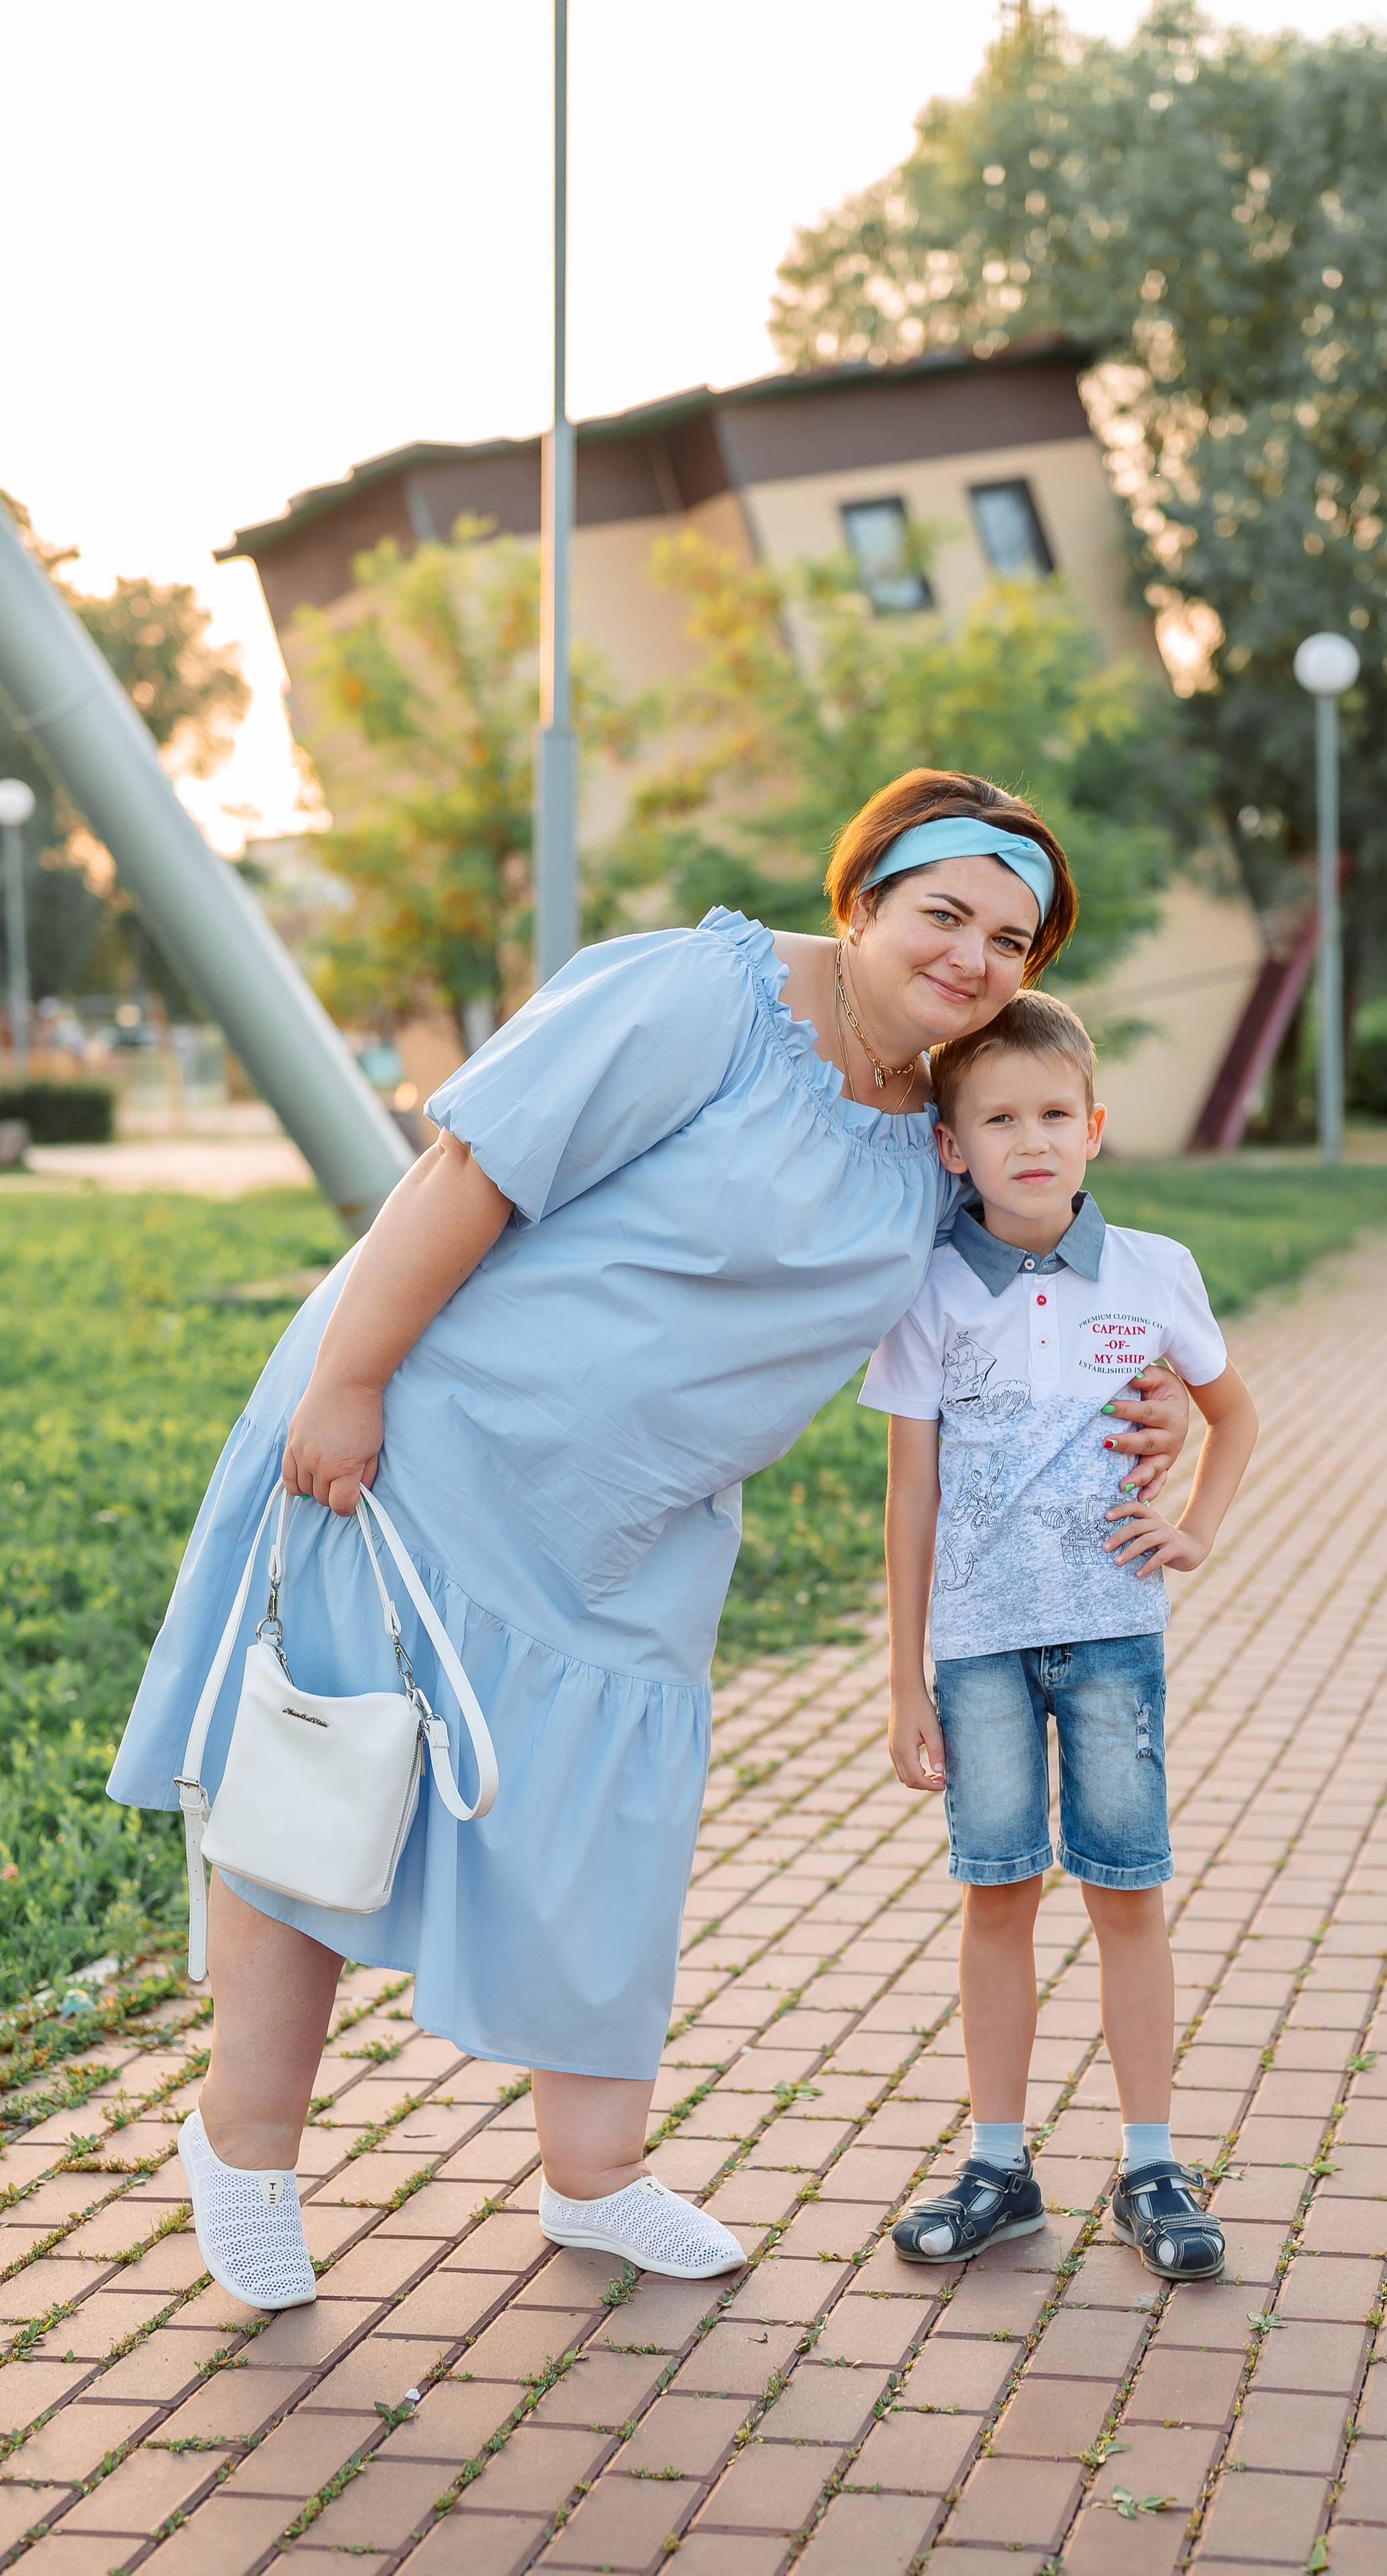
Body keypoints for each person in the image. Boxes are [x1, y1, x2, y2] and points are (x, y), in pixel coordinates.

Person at [107, 772, 1194, 2311]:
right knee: (324, 1804)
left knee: (607, 1850)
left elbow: (1042, 1270)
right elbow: (468, 1168)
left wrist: (1160, 1397)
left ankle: (593, 2180)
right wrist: (350, 1382)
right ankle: (246, 2143)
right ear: (861, 900)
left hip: (634, 1538)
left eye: (1010, 939)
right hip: (428, 1458)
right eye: (943, 912)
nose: (971, 955)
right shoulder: (708, 994)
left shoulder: (938, 1131)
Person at [864, 989, 1258, 2280]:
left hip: (1110, 1639)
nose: (1028, 1142)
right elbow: (909, 1488)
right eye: (997, 1119)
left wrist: (1196, 1524)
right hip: (976, 1648)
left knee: (1127, 1894)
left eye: (1052, 1116)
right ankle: (998, 2165)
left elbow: (1232, 1413)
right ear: (951, 1147)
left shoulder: (1155, 1272)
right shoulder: (929, 1292)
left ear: (1093, 1129)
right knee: (997, 1896)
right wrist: (904, 1678)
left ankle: (1152, 2160)